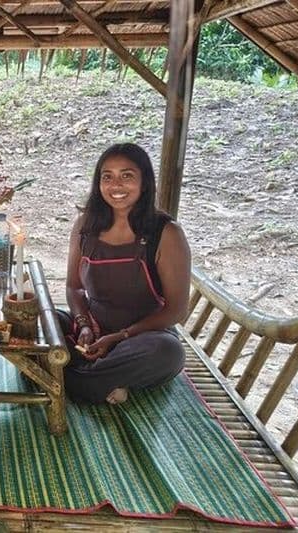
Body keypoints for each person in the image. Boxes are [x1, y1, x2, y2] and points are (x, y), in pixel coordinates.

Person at [60, 143, 191, 405]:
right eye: (107, 177)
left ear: (144, 182)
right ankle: (102, 381)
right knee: (39, 323)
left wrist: (120, 337)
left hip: (141, 339)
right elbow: (74, 288)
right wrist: (84, 325)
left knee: (168, 352)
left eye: (127, 176)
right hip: (92, 331)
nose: (115, 185)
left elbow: (176, 311)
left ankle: (65, 379)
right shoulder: (85, 226)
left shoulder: (166, 233)